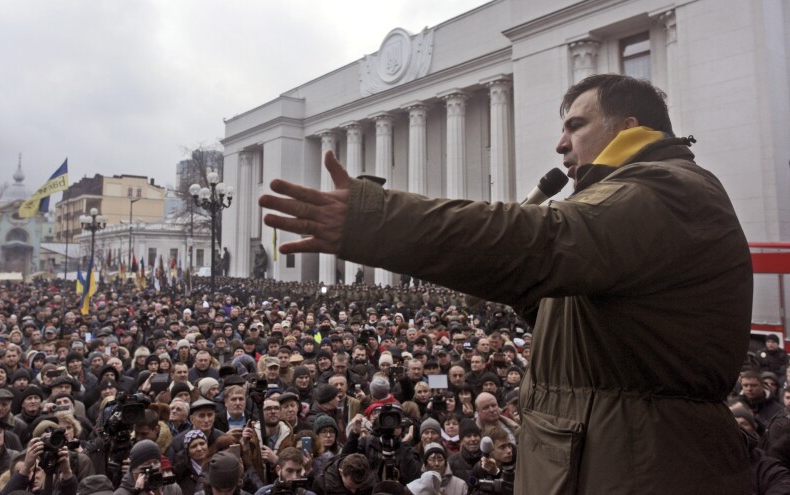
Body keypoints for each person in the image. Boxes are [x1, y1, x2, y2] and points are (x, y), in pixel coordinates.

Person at [260, 73, 753, 493]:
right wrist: (509, 281)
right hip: (606, 458)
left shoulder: (665, 190)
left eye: (577, 126)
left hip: (639, 466)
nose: (561, 143)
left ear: (629, 128)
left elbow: (540, 240)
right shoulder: (632, 201)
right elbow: (586, 326)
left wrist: (379, 221)